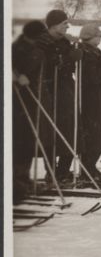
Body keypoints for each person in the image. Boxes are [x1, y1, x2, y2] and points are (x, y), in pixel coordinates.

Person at [38, 9, 82, 182]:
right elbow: (42, 65)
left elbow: (68, 64)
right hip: (48, 91)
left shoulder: (64, 42)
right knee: (50, 132)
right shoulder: (41, 42)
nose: (67, 26)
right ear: (54, 25)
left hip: (65, 90)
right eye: (64, 24)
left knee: (70, 129)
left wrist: (72, 57)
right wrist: (63, 59)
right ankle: (51, 171)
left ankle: (63, 169)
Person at [12, 20, 51, 202]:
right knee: (20, 142)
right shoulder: (17, 49)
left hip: (32, 98)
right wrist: (16, 76)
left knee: (28, 141)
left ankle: (23, 179)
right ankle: (16, 183)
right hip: (18, 101)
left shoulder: (36, 48)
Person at [77, 24, 101, 181]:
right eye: (98, 36)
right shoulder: (87, 53)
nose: (100, 38)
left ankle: (90, 167)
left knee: (98, 134)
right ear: (89, 37)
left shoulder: (95, 52)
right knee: (93, 134)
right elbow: (93, 78)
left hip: (96, 95)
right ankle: (88, 168)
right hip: (89, 97)